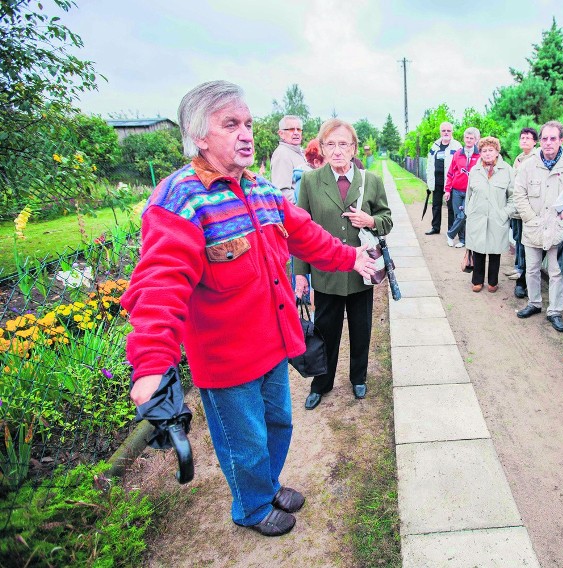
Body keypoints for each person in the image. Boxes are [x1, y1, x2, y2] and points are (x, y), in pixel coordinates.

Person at [122, 81, 376, 537]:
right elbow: (158, 288)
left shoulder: (258, 189)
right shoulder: (180, 200)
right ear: (200, 136)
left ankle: (268, 484)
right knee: (246, 443)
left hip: (273, 345)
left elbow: (305, 235)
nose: (246, 133)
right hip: (228, 361)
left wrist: (352, 256)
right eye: (231, 124)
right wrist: (150, 368)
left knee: (278, 424)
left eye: (249, 124)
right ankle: (252, 507)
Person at [294, 119, 393, 410]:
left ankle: (358, 378)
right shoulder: (311, 181)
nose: (337, 151)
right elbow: (300, 231)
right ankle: (321, 383)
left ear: (353, 148)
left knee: (361, 329)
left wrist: (371, 221)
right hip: (327, 274)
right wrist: (301, 274)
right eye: (331, 144)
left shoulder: (370, 181)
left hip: (362, 273)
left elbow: (387, 220)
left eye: (344, 144)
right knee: (326, 331)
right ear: (322, 148)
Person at [514, 120, 563, 332]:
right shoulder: (528, 164)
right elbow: (519, 193)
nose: (548, 143)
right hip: (533, 227)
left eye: (553, 138)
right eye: (544, 138)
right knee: (532, 268)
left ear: (561, 140)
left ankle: (554, 311)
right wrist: (529, 218)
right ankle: (534, 303)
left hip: (557, 228)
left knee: (556, 272)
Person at [464, 136, 514, 293]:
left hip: (497, 217)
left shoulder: (507, 170)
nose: (487, 153)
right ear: (480, 152)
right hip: (477, 216)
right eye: (484, 150)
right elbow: (469, 194)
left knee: (495, 250)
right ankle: (477, 280)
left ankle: (493, 282)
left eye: (490, 150)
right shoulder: (474, 170)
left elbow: (513, 197)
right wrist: (469, 212)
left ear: (497, 152)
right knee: (478, 248)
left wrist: (505, 214)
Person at [508, 127, 538, 299]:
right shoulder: (519, 158)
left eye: (528, 138)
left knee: (527, 244)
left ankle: (524, 279)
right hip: (517, 210)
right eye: (522, 138)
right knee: (518, 240)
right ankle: (518, 268)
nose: (525, 140)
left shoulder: (535, 159)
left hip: (529, 210)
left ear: (535, 142)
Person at [444, 127, 481, 248]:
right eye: (467, 138)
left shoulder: (479, 155)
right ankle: (462, 239)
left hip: (470, 191)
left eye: (472, 138)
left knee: (464, 214)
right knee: (458, 215)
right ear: (464, 138)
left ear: (476, 140)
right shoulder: (458, 154)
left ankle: (450, 234)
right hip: (456, 190)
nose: (469, 140)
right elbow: (450, 173)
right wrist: (448, 190)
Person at [425, 122, 462, 235]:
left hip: (450, 182)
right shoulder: (435, 145)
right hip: (436, 181)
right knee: (436, 206)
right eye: (443, 130)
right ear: (440, 132)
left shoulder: (457, 146)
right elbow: (429, 163)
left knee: (451, 208)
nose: (446, 133)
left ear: (452, 132)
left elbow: (460, 165)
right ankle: (435, 228)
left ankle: (450, 230)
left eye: (448, 131)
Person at [271, 115, 310, 204]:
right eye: (291, 129)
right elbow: (282, 193)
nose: (296, 133)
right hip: (296, 213)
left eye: (299, 129)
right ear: (281, 134)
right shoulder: (282, 154)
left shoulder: (297, 152)